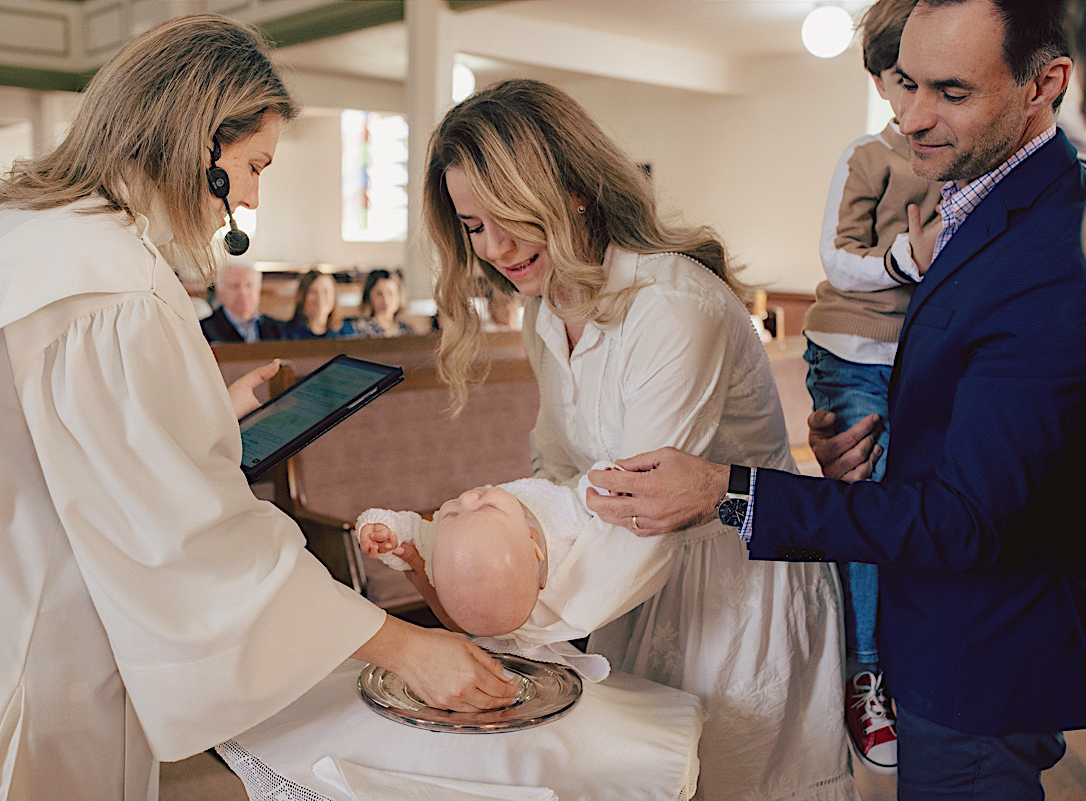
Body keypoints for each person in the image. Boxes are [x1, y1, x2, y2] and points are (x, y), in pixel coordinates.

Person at [0, 16, 515, 801]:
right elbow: (193, 544)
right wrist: (405, 646)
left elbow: (65, 441)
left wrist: (206, 417)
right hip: (33, 666)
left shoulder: (17, 239)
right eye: (252, 165)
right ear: (196, 143)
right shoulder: (110, 288)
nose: (249, 197)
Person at [585, 1, 1086, 797]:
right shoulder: (975, 201)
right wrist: (870, 446)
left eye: (951, 93)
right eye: (906, 83)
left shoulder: (1054, 249)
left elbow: (971, 518)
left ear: (1044, 84)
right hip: (940, 626)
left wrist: (730, 489)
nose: (912, 117)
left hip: (977, 654)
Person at [425, 79, 854, 801]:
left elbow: (637, 505)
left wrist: (509, 614)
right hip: (630, 585)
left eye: (507, 216)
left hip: (733, 589)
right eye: (472, 226)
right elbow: (562, 468)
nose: (494, 246)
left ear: (574, 192)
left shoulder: (670, 306)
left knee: (732, 780)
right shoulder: (549, 306)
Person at [802, 0, 943, 774]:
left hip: (916, 356)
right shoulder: (868, 156)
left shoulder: (953, 161)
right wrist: (903, 261)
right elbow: (834, 253)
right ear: (883, 82)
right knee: (869, 498)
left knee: (918, 503)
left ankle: (900, 658)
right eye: (901, 79)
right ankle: (863, 669)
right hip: (852, 348)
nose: (916, 98)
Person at [355, 464, 676, 680]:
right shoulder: (562, 522)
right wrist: (610, 481)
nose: (465, 498)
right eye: (483, 506)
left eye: (451, 511)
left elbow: (411, 530)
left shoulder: (440, 537)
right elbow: (589, 500)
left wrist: (382, 530)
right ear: (533, 542)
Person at [199, 261, 289, 342]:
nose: (243, 293)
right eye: (235, 286)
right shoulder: (203, 331)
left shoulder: (279, 330)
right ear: (219, 293)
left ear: (258, 290)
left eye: (249, 286)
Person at [283, 268, 355, 339]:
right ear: (301, 296)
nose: (320, 297)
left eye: (325, 291)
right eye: (313, 291)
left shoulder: (346, 332)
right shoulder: (285, 334)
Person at [351, 269, 414, 337]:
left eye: (390, 293)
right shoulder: (359, 329)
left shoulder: (406, 330)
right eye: (379, 294)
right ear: (369, 296)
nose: (385, 299)